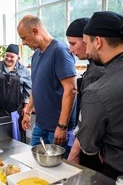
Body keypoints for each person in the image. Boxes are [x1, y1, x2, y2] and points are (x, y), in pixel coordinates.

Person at [76, 11, 123, 180]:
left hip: (122, 172)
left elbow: (87, 146)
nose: (86, 49)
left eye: (86, 43)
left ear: (98, 41)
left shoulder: (98, 91)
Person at [17, 15, 77, 156]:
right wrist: (28, 111)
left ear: (35, 31)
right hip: (40, 125)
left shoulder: (59, 51)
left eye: (24, 38)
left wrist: (62, 126)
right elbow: (36, 86)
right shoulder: (36, 55)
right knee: (34, 162)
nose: (23, 43)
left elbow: (71, 89)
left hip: (57, 128)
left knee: (59, 171)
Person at [66, 18, 104, 172]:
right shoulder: (93, 67)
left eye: (73, 43)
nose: (70, 49)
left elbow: (91, 118)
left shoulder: (97, 72)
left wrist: (75, 150)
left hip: (92, 147)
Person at [0, 44, 31, 142]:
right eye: (7, 55)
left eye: (12, 56)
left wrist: (26, 106)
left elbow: (28, 90)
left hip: (15, 114)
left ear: (18, 57)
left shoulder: (24, 70)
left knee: (14, 142)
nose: (8, 58)